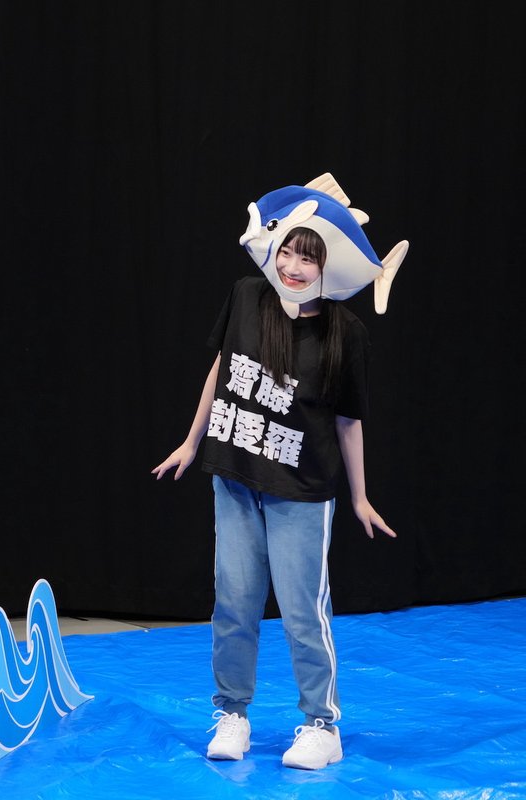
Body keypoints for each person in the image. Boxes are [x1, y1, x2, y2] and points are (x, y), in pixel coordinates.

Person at [153, 213, 400, 771]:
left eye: (308, 257)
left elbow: (349, 421)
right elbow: (221, 370)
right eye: (286, 252)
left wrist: (359, 497)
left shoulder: (345, 332)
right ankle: (232, 714)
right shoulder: (247, 296)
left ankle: (321, 725)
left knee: (302, 613)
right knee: (233, 603)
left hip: (302, 489)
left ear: (328, 267)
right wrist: (192, 442)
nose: (292, 266)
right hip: (236, 475)